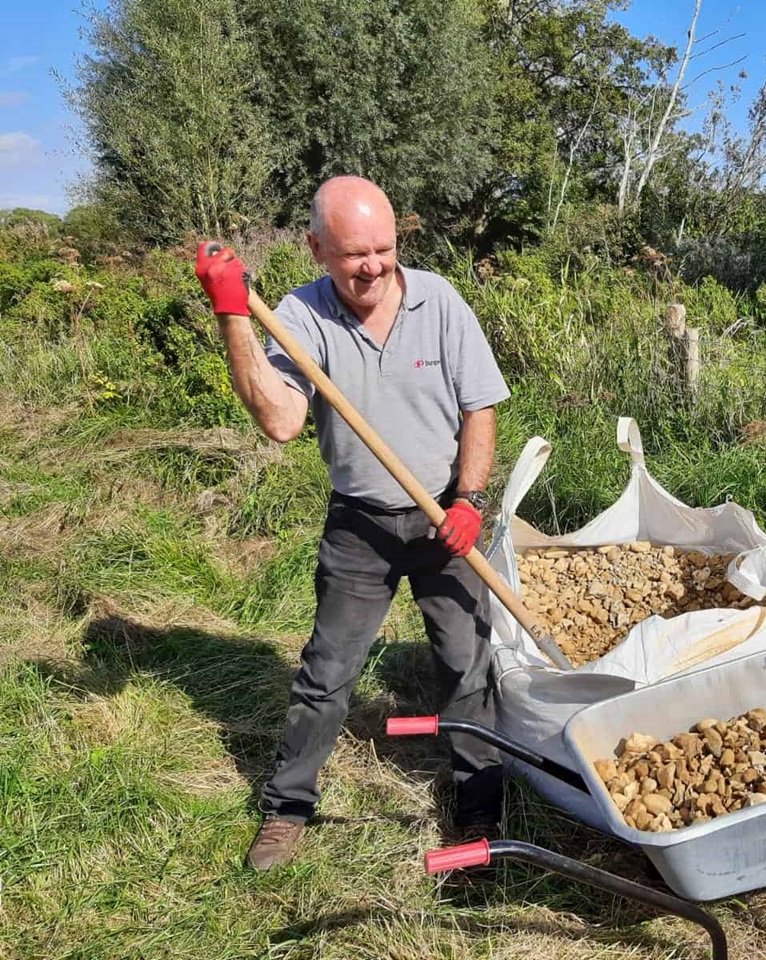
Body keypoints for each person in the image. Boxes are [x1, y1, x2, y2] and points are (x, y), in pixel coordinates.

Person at [194, 176, 509, 871]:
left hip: (444, 518)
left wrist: (471, 500)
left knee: (469, 665)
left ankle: (479, 800)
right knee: (327, 674)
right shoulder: (298, 316)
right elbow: (280, 421)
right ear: (316, 248)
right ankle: (287, 808)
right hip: (359, 524)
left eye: (384, 250)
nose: (372, 266)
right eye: (353, 254)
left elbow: (479, 408)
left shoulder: (440, 302)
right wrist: (233, 317)